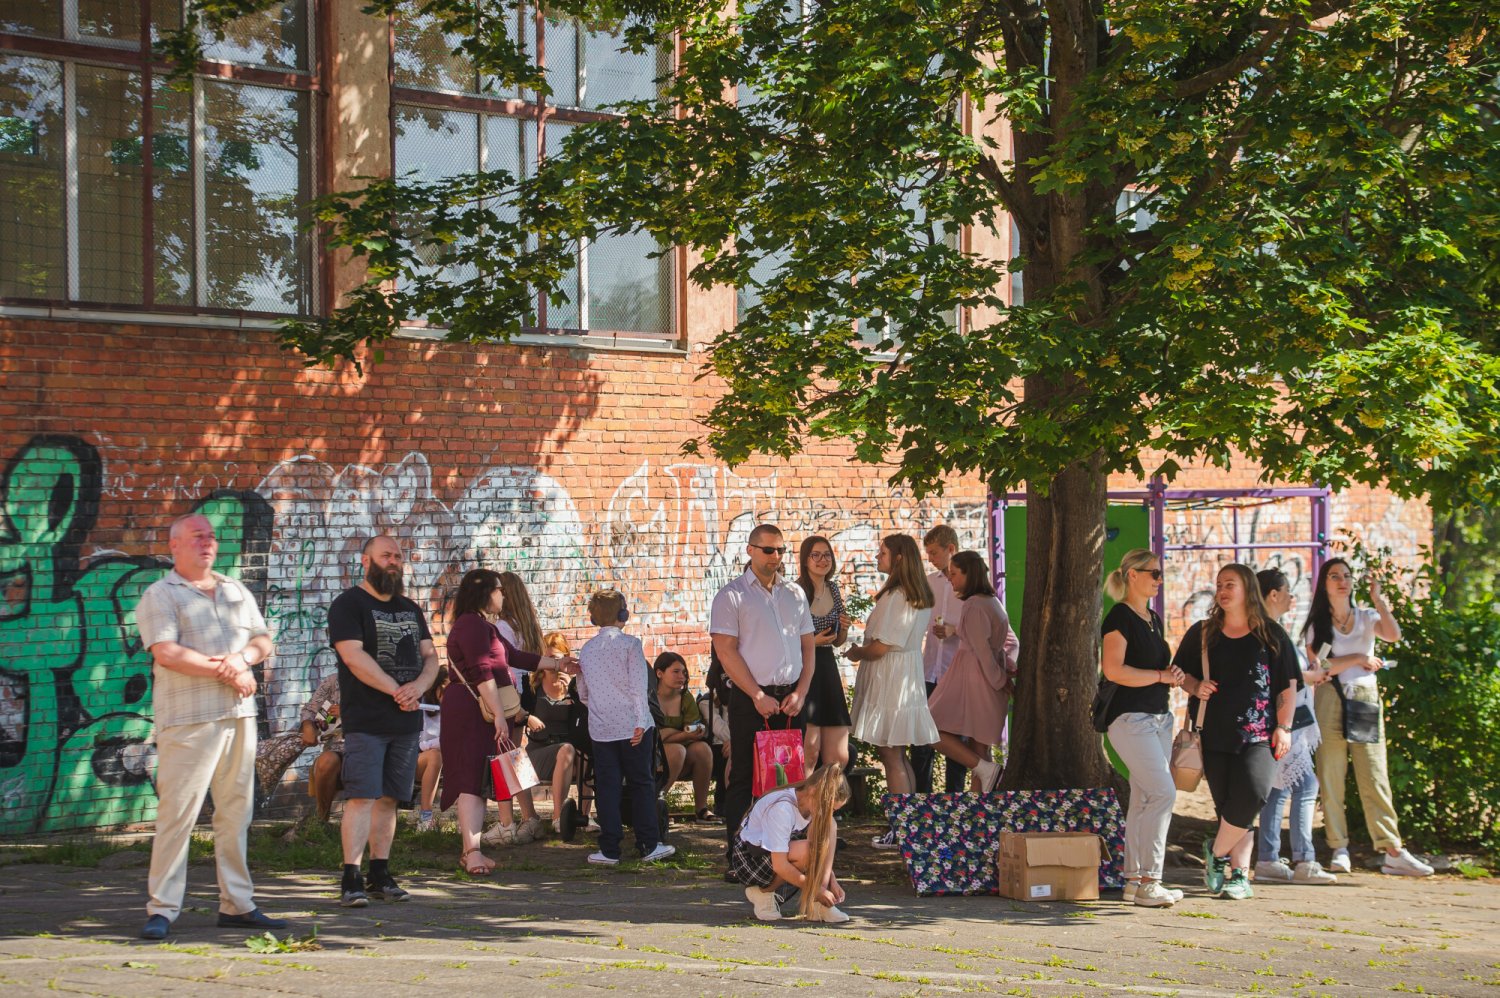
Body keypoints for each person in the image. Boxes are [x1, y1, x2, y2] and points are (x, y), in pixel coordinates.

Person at [134, 513, 285, 940]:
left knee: (236, 813)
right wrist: (229, 670)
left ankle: (237, 904)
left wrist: (244, 659)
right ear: (174, 545)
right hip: (188, 720)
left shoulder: (235, 590)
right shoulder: (161, 594)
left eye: (211, 536)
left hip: (240, 716)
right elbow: (166, 652)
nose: (207, 542)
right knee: (177, 814)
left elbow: (262, 639)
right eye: (197, 536)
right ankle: (163, 908)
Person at [328, 534, 441, 907]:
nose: (393, 562)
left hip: (406, 722)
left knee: (390, 799)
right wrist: (398, 691)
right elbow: (353, 657)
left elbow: (431, 657)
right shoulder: (349, 605)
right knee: (362, 797)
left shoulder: (410, 608)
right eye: (386, 555)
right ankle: (351, 877)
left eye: (398, 556)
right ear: (366, 561)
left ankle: (380, 873)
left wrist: (419, 687)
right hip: (367, 719)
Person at [1175, 563, 1299, 901]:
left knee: (1253, 793)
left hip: (1261, 734)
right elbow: (1179, 672)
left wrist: (1284, 727)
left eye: (1230, 584)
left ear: (1247, 589)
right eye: (1219, 585)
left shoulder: (1271, 634)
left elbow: (1287, 686)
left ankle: (1215, 852)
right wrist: (1194, 685)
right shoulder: (1203, 632)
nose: (1222, 591)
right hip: (1213, 734)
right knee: (1230, 808)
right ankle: (1239, 876)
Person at [1302, 559, 1433, 877]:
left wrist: (1379, 600)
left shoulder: (1367, 617)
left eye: (1347, 576)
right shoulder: (1318, 624)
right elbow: (1321, 667)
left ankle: (1392, 850)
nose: (1342, 581)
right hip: (1330, 698)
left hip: (1364, 698)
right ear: (1324, 583)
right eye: (1334, 576)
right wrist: (1359, 657)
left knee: (1373, 773)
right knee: (1331, 774)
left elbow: (1393, 635)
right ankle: (1339, 848)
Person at [441, 569, 566, 872]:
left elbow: (514, 656)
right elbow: (482, 672)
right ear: (484, 593)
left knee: (478, 779)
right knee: (472, 779)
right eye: (499, 590)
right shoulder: (472, 625)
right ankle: (472, 852)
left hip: (481, 709)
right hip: (472, 710)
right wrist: (499, 715)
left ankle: (472, 851)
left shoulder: (484, 626)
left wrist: (559, 663)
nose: (503, 595)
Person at [709, 523, 817, 860]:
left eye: (781, 550)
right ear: (751, 550)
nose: (775, 556)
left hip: (791, 699)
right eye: (768, 549)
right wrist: (757, 695)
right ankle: (739, 855)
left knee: (789, 779)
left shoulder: (795, 593)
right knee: (744, 775)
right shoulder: (732, 595)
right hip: (750, 697)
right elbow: (725, 652)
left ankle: (783, 852)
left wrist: (801, 692)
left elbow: (808, 648)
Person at [1098, 548, 1185, 908]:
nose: (1159, 580)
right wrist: (1161, 676)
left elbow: (1153, 669)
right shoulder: (1119, 617)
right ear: (1132, 574)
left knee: (1145, 796)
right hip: (1130, 719)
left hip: (1158, 718)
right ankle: (1151, 880)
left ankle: (1134, 881)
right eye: (1154, 573)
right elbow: (1113, 670)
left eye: (1160, 574)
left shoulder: (1152, 618)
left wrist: (1171, 674)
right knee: (1164, 793)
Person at [846, 533, 939, 848]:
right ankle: (909, 825)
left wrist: (857, 652)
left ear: (899, 558)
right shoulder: (912, 593)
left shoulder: (899, 596)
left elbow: (881, 647)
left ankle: (901, 828)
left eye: (882, 552)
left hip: (893, 678)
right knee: (896, 753)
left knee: (891, 753)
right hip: (902, 674)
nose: (877, 557)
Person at [577, 588, 675, 865]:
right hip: (634, 726)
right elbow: (639, 688)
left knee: (607, 787)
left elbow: (583, 693)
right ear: (623, 614)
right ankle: (648, 844)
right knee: (641, 784)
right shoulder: (631, 645)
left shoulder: (586, 650)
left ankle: (609, 849)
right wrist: (640, 722)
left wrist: (602, 709)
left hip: (601, 729)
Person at [1254, 569, 1336, 885]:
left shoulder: (1270, 629)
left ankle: (1269, 857)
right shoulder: (1268, 631)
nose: (1292, 597)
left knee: (1280, 789)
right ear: (1273, 594)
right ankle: (1303, 859)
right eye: (1288, 591)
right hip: (1283, 723)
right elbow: (1278, 675)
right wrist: (1310, 676)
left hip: (1286, 722)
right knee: (1305, 785)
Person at [926, 551, 1016, 796]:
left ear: (969, 575)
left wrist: (1000, 680)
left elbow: (983, 651)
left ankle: (985, 773)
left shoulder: (975, 605)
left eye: (954, 574)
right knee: (980, 750)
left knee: (928, 728)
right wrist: (1003, 675)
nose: (950, 579)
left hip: (976, 679)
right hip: (984, 677)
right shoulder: (991, 601)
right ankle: (979, 805)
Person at [732, 764, 852, 924]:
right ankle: (763, 893)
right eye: (829, 808)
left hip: (776, 855)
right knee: (808, 850)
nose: (830, 813)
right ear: (813, 792)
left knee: (830, 825)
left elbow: (820, 851)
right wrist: (814, 889)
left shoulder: (810, 804)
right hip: (751, 860)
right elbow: (780, 865)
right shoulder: (782, 808)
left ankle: (819, 905)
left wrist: (831, 880)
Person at [490, 571, 550, 843]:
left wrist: (509, 704)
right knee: (514, 756)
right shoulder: (524, 624)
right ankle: (529, 817)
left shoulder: (502, 626)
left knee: (504, 757)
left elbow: (505, 666)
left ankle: (510, 822)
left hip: (510, 692)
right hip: (524, 689)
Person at [911, 525, 966, 794]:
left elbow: (988, 629)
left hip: (956, 675)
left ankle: (955, 802)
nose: (929, 558)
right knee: (921, 743)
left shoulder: (971, 586)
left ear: (950, 549)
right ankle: (923, 801)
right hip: (929, 672)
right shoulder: (929, 583)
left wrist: (956, 630)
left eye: (934, 553)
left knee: (956, 742)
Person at [794, 535, 853, 773]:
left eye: (827, 555)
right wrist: (812, 642)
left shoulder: (834, 589)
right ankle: (805, 797)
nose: (822, 560)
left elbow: (838, 641)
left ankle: (828, 797)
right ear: (805, 560)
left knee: (838, 756)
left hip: (827, 667)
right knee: (809, 750)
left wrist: (844, 629)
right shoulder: (795, 591)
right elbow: (784, 638)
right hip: (804, 667)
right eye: (816, 555)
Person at [653, 651, 717, 821]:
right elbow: (654, 737)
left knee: (702, 749)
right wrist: (682, 734)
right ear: (659, 673)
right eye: (675, 672)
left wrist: (670, 734)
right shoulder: (649, 697)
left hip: (681, 756)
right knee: (677, 750)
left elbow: (693, 732)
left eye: (684, 672)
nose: (681, 676)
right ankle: (655, 803)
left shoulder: (685, 697)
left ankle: (701, 809)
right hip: (652, 757)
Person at [527, 648, 585, 830]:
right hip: (539, 751)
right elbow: (517, 713)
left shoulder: (574, 688)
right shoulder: (533, 688)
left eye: (559, 659)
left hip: (568, 755)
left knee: (586, 755)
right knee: (567, 749)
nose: (555, 664)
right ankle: (558, 817)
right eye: (550, 659)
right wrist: (528, 718)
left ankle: (583, 816)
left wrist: (573, 693)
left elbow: (584, 718)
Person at [299, 670, 344, 821]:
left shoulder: (379, 680)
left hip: (369, 747)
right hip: (338, 748)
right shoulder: (334, 681)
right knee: (326, 761)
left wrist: (350, 712)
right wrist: (308, 727)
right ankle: (321, 820)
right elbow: (310, 710)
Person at [415, 669, 445, 831]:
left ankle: (467, 819)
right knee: (435, 756)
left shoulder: (454, 707)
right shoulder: (420, 704)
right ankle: (425, 818)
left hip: (448, 759)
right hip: (417, 758)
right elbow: (417, 744)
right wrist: (439, 743)